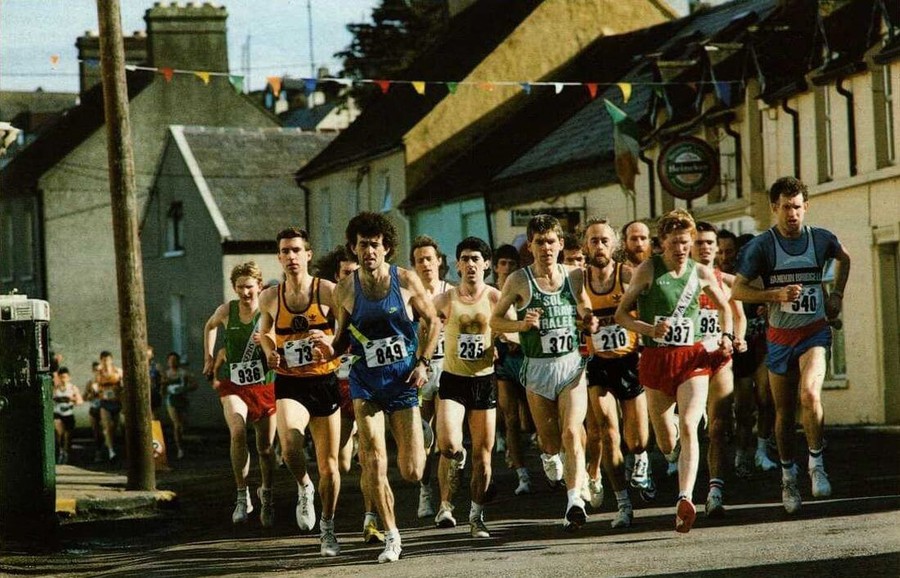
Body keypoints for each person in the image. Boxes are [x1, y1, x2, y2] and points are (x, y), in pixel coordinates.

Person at [321, 212, 440, 563]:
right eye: (362, 245)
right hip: (365, 380)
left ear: (386, 247)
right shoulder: (345, 288)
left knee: (413, 471)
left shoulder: (405, 280)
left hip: (403, 378)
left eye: (375, 244)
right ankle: (392, 534)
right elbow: (342, 338)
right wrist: (326, 349)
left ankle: (423, 432)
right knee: (373, 459)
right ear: (354, 249)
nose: (369, 251)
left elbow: (432, 321)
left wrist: (423, 362)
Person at [731, 176, 850, 514]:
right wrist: (774, 295)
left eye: (797, 207)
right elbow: (737, 291)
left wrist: (837, 295)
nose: (792, 214)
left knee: (810, 394)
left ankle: (816, 463)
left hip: (814, 332)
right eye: (785, 207)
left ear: (805, 207)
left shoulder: (821, 239)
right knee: (783, 412)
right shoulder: (762, 246)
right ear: (774, 208)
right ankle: (788, 475)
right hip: (779, 339)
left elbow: (846, 258)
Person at [614, 209, 734, 533]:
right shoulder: (648, 270)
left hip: (692, 359)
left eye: (686, 242)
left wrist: (727, 336)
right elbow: (621, 314)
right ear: (662, 243)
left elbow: (725, 308)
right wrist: (648, 329)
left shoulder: (700, 272)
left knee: (690, 424)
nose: (681, 249)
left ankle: (685, 498)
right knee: (667, 442)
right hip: (656, 360)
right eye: (675, 243)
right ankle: (674, 454)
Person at [490, 214, 594, 531]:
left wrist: (589, 320)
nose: (546, 248)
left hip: (570, 365)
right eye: (539, 242)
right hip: (537, 368)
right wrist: (521, 325)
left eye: (551, 241)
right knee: (550, 442)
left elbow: (586, 309)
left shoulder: (575, 276)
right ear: (531, 247)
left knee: (572, 432)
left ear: (560, 244)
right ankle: (550, 457)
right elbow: (495, 321)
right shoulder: (519, 280)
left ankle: (574, 500)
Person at [258, 227, 343, 556]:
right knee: (290, 445)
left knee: (330, 467)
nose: (291, 257)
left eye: (297, 250)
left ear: (308, 255)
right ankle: (304, 486)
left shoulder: (327, 291)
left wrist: (331, 343)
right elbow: (264, 333)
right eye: (285, 251)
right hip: (289, 380)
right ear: (279, 257)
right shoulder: (270, 296)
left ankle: (328, 527)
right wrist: (269, 351)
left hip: (324, 381)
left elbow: (348, 328)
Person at [581, 218, 653, 529]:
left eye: (604, 241)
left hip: (630, 362)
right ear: (585, 246)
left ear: (615, 246)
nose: (599, 246)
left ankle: (641, 457)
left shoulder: (628, 276)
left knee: (636, 441)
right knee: (608, 430)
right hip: (599, 365)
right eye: (593, 241)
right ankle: (622, 503)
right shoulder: (577, 280)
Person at [314, 245, 385, 545]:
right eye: (346, 273)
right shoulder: (325, 311)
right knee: (340, 464)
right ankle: (331, 516)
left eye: (355, 272)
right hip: (336, 392)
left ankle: (371, 520)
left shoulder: (370, 308)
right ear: (337, 277)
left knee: (368, 458)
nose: (352, 278)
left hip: (365, 386)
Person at [433, 237, 503, 538]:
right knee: (448, 444)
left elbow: (510, 329)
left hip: (484, 381)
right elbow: (422, 323)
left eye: (476, 258)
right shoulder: (446, 299)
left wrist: (501, 341)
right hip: (453, 379)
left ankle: (476, 517)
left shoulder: (495, 297)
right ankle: (445, 504)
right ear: (458, 264)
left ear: (486, 264)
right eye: (465, 258)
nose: (471, 264)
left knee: (484, 457)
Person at [203, 261, 278, 527]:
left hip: (265, 386)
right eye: (240, 288)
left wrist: (270, 342)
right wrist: (209, 357)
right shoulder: (227, 311)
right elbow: (210, 326)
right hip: (235, 385)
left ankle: (266, 495)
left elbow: (284, 340)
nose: (245, 293)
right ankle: (241, 494)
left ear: (259, 286)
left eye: (249, 287)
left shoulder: (270, 311)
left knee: (266, 449)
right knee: (237, 431)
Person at [692, 221, 748, 517]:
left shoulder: (726, 281)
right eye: (699, 242)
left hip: (718, 358)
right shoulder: (680, 280)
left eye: (709, 243)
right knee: (688, 429)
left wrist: (737, 339)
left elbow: (738, 316)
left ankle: (715, 491)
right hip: (686, 362)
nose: (705, 248)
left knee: (718, 426)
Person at [409, 235, 452, 520]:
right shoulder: (409, 297)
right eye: (419, 260)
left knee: (447, 439)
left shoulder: (452, 292)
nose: (425, 264)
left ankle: (445, 504)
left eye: (429, 258)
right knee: (424, 438)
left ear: (439, 261)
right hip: (420, 371)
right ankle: (425, 491)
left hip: (449, 368)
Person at [731, 233, 778, 477]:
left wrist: (768, 306)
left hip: (761, 345)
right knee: (742, 407)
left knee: (765, 398)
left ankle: (761, 450)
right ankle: (741, 456)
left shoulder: (765, 278)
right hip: (739, 351)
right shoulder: (730, 279)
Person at [491, 244, 532, 495]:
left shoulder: (523, 289)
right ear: (495, 267)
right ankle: (522, 474)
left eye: (511, 264)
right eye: (502, 263)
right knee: (511, 419)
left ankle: (545, 456)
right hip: (502, 360)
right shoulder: (489, 293)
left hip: (526, 357)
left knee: (530, 422)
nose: (506, 268)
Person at [162, 352, 197, 460]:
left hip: (182, 399)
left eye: (174, 360)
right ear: (168, 362)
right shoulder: (166, 374)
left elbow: (194, 384)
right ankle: (179, 449)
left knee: (183, 425)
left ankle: (182, 443)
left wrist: (185, 389)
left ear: (178, 361)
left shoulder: (183, 373)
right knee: (176, 424)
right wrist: (164, 386)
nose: (172, 362)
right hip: (171, 400)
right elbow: (162, 389)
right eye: (170, 360)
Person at [97, 350, 123, 461]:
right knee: (107, 426)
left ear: (111, 360)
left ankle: (107, 444)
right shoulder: (99, 373)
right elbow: (96, 387)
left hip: (116, 401)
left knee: (114, 427)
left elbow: (122, 386)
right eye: (103, 360)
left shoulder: (118, 371)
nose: (106, 362)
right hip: (105, 402)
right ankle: (111, 452)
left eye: (107, 359)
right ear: (101, 361)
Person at [52, 367, 83, 464]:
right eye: (61, 377)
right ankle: (61, 452)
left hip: (68, 414)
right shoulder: (55, 389)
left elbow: (80, 401)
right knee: (59, 432)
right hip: (58, 414)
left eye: (65, 377)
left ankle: (66, 453)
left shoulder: (72, 388)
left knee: (67, 436)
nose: (63, 379)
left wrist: (72, 399)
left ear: (69, 377)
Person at [83, 361, 104, 462]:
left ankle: (106, 450)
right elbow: (84, 397)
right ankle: (98, 452)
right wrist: (90, 395)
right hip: (94, 408)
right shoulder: (90, 383)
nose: (98, 372)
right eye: (96, 370)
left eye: (100, 370)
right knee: (96, 431)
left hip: (104, 407)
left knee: (105, 429)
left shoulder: (105, 381)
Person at [148, 345, 162, 419]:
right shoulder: (138, 367)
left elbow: (163, 378)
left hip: (154, 393)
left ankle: (155, 430)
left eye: (149, 355)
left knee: (154, 416)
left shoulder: (156, 366)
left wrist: (161, 389)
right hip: (143, 393)